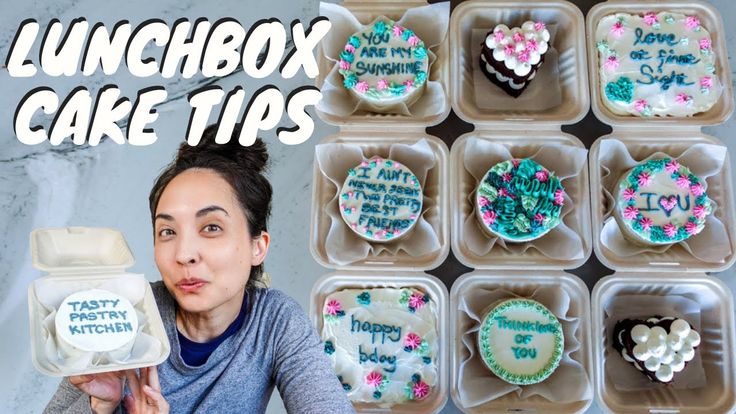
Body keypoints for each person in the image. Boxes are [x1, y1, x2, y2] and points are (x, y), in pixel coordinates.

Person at [44, 124, 355, 413]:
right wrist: (100, 406)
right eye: (167, 231)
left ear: (257, 246)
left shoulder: (275, 323)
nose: (184, 254)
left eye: (211, 227)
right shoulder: (125, 314)